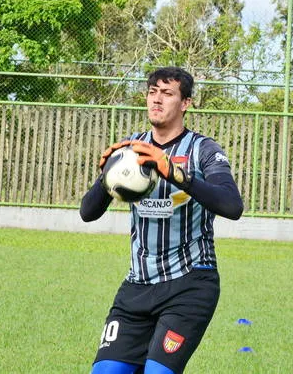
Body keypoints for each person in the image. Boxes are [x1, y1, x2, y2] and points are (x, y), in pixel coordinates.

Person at [80, 66, 243, 374]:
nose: (156, 100)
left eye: (167, 94)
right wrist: (106, 178)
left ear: (186, 103)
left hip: (190, 283)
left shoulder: (203, 150)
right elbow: (88, 213)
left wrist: (174, 172)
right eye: (152, 92)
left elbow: (232, 206)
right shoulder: (130, 150)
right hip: (137, 286)